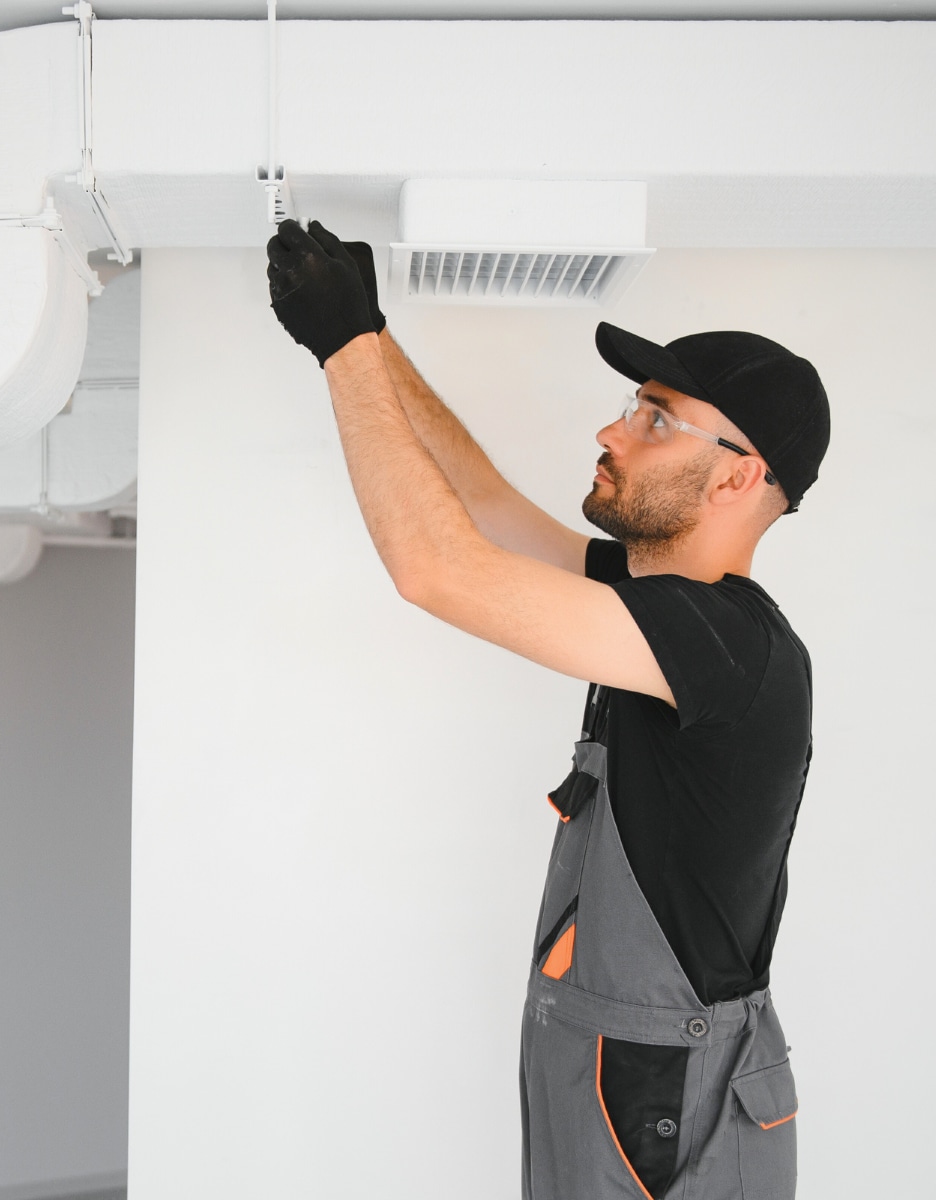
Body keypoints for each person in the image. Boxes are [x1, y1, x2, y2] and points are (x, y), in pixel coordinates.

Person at [265, 217, 828, 1200]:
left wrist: (341, 349)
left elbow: (439, 571)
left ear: (739, 475)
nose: (612, 432)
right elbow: (483, 510)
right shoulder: (665, 608)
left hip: (664, 1093)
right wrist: (376, 337)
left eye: (655, 419)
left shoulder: (725, 644)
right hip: (625, 1068)